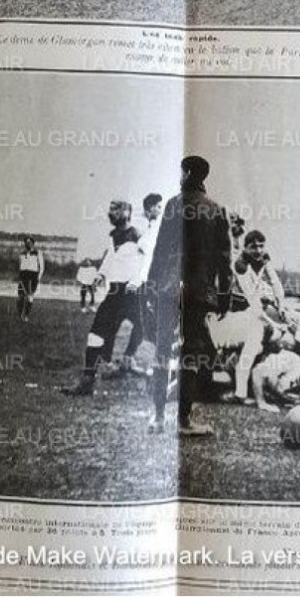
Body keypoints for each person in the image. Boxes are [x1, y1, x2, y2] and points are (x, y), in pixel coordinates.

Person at [147, 156, 233, 436]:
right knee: (191, 356)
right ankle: (184, 420)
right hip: (198, 293)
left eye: (181, 172)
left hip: (169, 289)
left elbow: (160, 252)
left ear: (186, 173)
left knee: (162, 351)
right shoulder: (218, 210)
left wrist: (151, 285)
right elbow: (224, 261)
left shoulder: (173, 205)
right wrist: (224, 297)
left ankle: (157, 417)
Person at [65, 201, 150, 395]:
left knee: (150, 330)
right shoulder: (114, 237)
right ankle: (87, 381)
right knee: (95, 334)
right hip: (114, 293)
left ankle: (165, 377)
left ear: (127, 213)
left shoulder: (137, 236)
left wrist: (136, 281)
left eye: (116, 210)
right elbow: (110, 259)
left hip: (133, 294)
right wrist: (99, 276)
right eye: (111, 210)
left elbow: (147, 261)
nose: (112, 213)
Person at [16, 238, 42, 321]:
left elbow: (42, 266)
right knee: (20, 296)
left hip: (33, 275)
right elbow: (20, 265)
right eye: (26, 242)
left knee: (30, 296)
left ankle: (26, 315)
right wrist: (19, 275)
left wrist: (38, 277)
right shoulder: (21, 253)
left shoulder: (38, 253)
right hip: (23, 275)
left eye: (30, 242)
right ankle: (20, 315)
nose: (28, 244)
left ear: (33, 243)